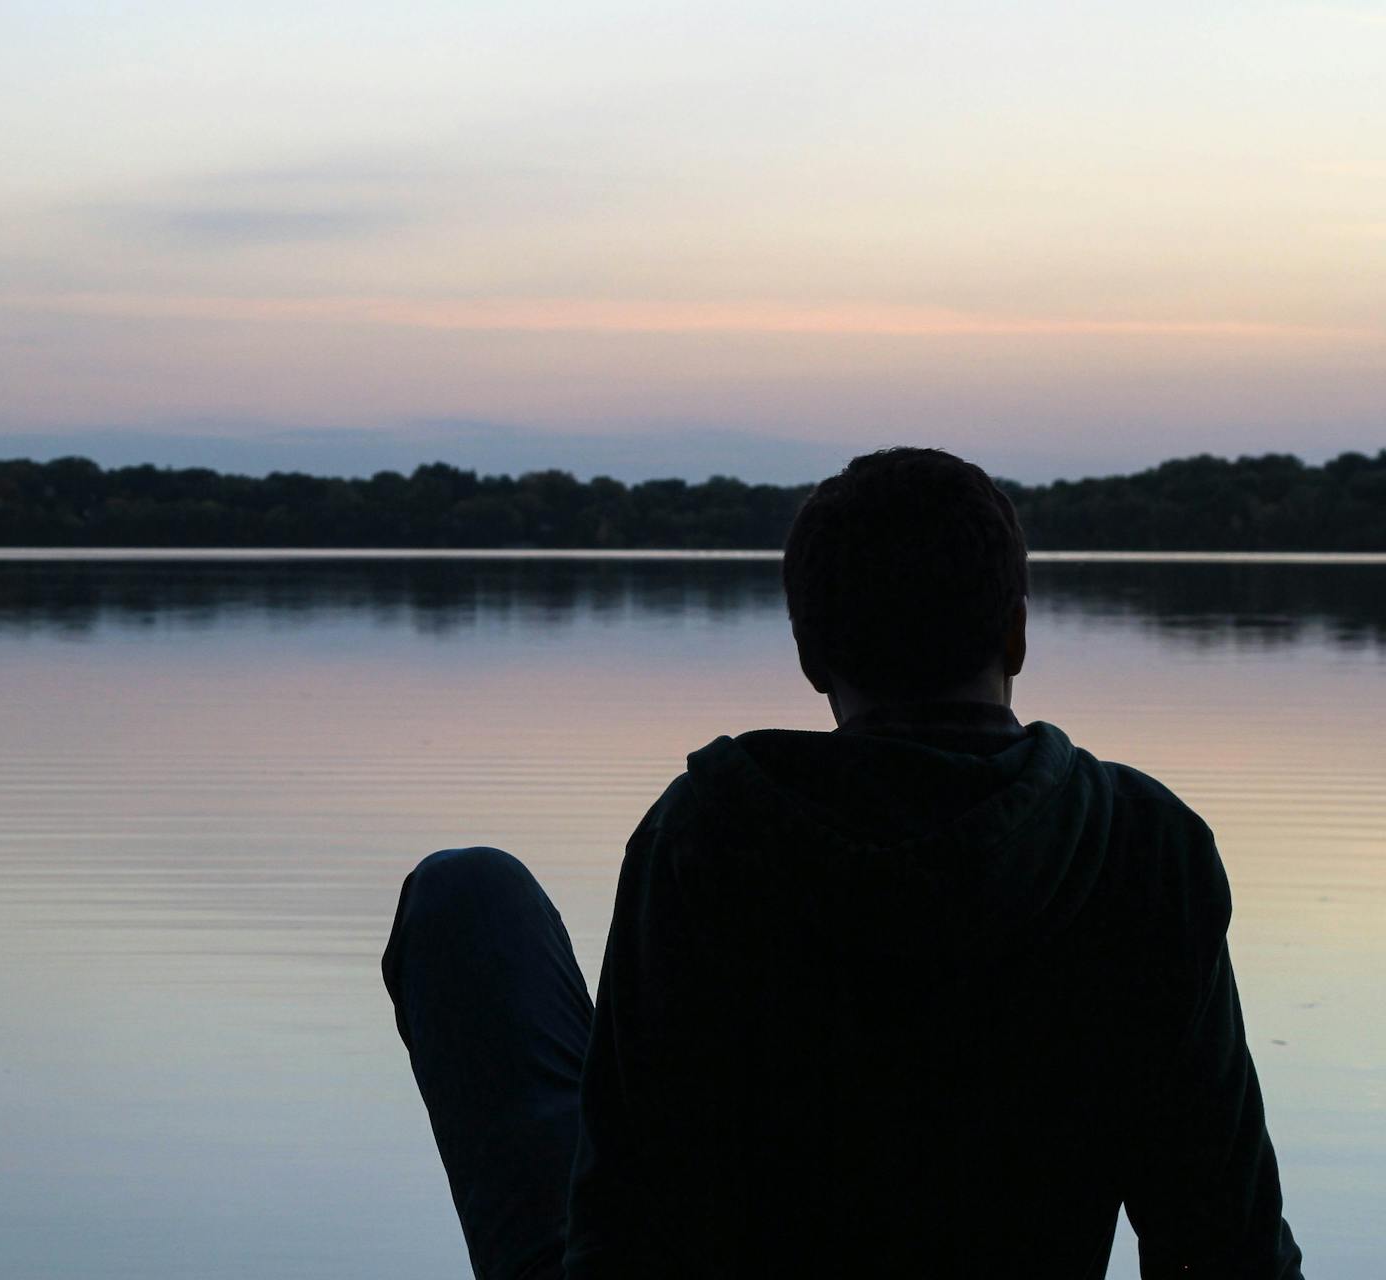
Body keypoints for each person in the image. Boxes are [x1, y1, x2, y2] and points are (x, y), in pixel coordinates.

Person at [381, 447, 1303, 1279]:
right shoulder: (1144, 846)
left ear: (811, 656)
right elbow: (1227, 1246)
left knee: (467, 894)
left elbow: (628, 1218)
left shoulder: (705, 834)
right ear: (1017, 634)